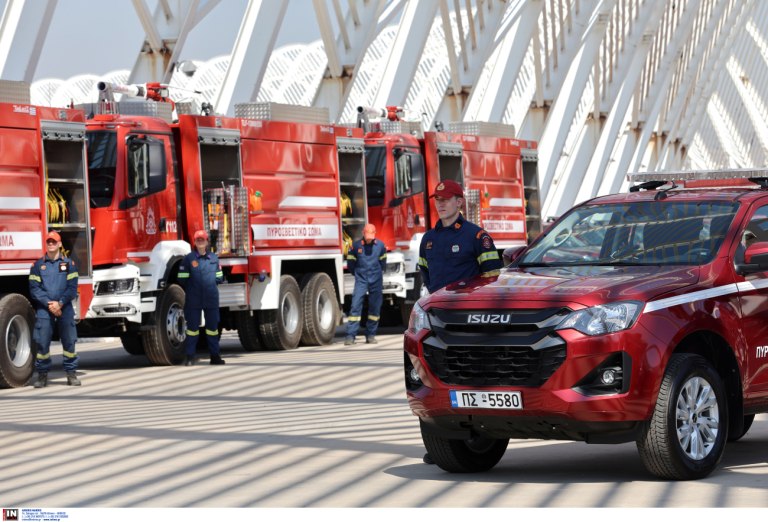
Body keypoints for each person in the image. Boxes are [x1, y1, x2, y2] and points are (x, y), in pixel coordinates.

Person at [418, 180, 503, 463]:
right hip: (440, 322)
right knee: (437, 381)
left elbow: (494, 278)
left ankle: (481, 434)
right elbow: (426, 276)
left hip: (473, 322)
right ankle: (442, 445)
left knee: (475, 379)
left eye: (446, 199)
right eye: (437, 199)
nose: (440, 204)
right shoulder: (428, 239)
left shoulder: (477, 237)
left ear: (459, 202)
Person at [28, 230, 80, 387]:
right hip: (45, 309)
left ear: (59, 244)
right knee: (42, 342)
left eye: (54, 241)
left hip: (65, 307)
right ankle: (42, 376)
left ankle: (71, 374)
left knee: (69, 341)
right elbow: (34, 289)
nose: (51, 244)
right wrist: (50, 304)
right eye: (48, 242)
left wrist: (60, 303)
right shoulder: (38, 266)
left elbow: (72, 289)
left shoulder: (69, 264)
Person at [178, 230, 225, 365]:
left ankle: (215, 356)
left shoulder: (214, 259)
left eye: (202, 239)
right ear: (194, 242)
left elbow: (219, 278)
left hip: (211, 299)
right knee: (192, 329)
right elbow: (182, 279)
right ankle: (190, 357)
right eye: (198, 239)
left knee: (212, 329)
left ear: (207, 241)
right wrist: (193, 289)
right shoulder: (188, 259)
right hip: (194, 299)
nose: (200, 241)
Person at [344, 223, 387, 345]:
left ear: (375, 234)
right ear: (363, 233)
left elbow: (383, 262)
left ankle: (371, 335)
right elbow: (350, 264)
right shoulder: (356, 246)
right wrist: (357, 274)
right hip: (361, 280)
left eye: (371, 236)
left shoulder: (380, 246)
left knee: (375, 307)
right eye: (367, 236)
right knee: (355, 305)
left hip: (376, 280)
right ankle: (350, 336)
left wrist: (378, 274)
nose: (369, 239)